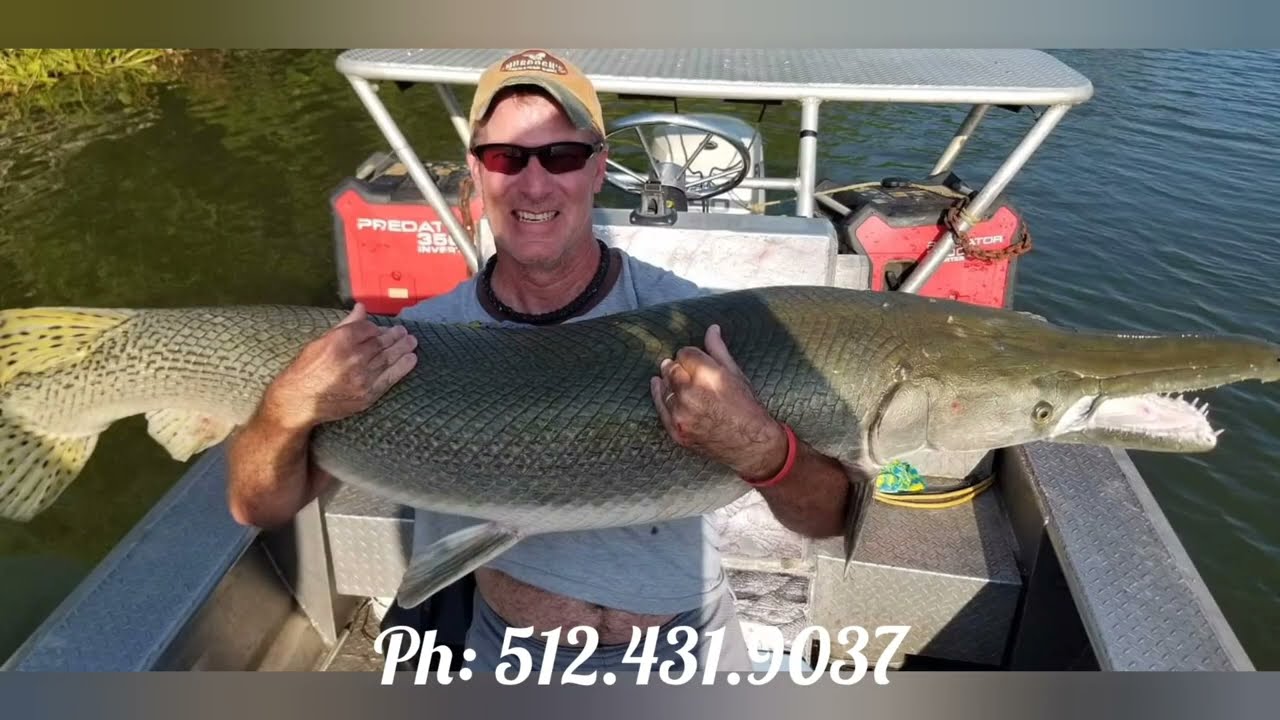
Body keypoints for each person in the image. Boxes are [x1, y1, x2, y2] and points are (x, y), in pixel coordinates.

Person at [226, 49, 853, 676]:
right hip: (511, 655)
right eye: (506, 158)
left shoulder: (695, 325)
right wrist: (285, 409)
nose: (533, 184)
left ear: (598, 167)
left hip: (691, 647)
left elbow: (828, 518)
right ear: (476, 171)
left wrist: (762, 449)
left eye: (562, 156)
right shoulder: (414, 339)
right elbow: (258, 509)